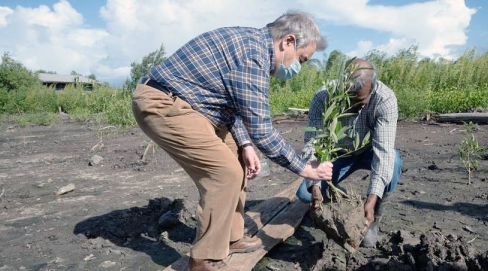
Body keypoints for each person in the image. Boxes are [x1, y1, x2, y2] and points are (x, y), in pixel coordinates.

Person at [131, 11, 333, 271]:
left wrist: (246, 146)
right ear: (288, 42)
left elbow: (234, 104)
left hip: (196, 108)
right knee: (223, 173)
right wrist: (306, 168)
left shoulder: (253, 46)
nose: (299, 67)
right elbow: (263, 130)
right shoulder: (253, 55)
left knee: (237, 157)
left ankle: (229, 237)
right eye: (302, 59)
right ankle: (204, 258)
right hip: (163, 103)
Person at [296, 58, 402, 248]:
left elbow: (383, 153)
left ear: (373, 88)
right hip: (338, 155)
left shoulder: (385, 99)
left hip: (368, 150)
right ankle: (341, 199)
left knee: (393, 163)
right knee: (305, 194)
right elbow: (311, 143)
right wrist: (316, 186)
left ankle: (373, 217)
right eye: (348, 101)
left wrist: (371, 199)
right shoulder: (323, 97)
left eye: (359, 102)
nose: (352, 107)